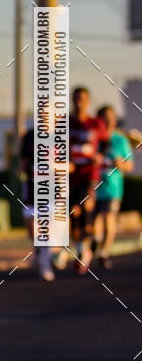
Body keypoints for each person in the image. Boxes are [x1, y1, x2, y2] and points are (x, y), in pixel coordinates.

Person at [63, 87, 109, 274]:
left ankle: (86, 249)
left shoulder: (96, 123)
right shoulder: (66, 123)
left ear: (88, 101)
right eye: (76, 99)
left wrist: (100, 154)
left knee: (85, 207)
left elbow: (105, 142)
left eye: (82, 99)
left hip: (90, 175)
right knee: (74, 213)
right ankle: (84, 248)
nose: (79, 102)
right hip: (71, 175)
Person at [93, 105, 133, 268]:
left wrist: (121, 164)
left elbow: (129, 165)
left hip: (113, 189)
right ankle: (96, 244)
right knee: (93, 222)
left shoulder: (120, 140)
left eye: (111, 116)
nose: (108, 120)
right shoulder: (94, 138)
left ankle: (104, 253)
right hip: (93, 187)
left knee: (109, 218)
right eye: (104, 117)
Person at [18, 126, 55, 282]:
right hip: (31, 187)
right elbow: (22, 160)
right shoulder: (29, 136)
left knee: (45, 230)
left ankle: (45, 265)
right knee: (31, 228)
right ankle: (39, 250)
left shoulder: (60, 136)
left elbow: (70, 163)